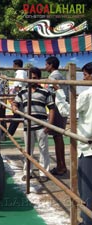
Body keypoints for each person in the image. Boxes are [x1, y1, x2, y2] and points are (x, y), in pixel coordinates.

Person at [54, 62, 92, 225]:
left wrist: (59, 93)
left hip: (89, 148)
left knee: (87, 190)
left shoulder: (88, 94)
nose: (84, 78)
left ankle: (87, 220)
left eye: (85, 75)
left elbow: (67, 111)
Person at [12, 67, 55, 182]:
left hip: (42, 126)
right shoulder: (22, 92)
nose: (32, 80)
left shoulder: (45, 92)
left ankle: (44, 172)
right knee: (28, 150)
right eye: (30, 77)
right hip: (27, 125)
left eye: (34, 78)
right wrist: (14, 107)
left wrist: (49, 124)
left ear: (39, 79)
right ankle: (27, 172)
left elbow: (51, 108)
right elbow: (15, 102)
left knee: (43, 149)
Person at [45, 56, 69, 176]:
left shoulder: (53, 77)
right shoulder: (60, 75)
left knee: (57, 136)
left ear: (51, 65)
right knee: (58, 136)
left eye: (46, 64)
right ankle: (61, 165)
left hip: (57, 108)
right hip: (62, 107)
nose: (45, 67)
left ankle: (61, 166)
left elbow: (50, 93)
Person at [8, 59, 27, 136]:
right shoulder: (21, 72)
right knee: (18, 114)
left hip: (21, 97)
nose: (12, 66)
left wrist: (14, 95)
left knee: (17, 114)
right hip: (21, 96)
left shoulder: (21, 73)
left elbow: (18, 86)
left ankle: (9, 133)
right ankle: (9, 132)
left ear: (16, 65)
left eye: (13, 65)